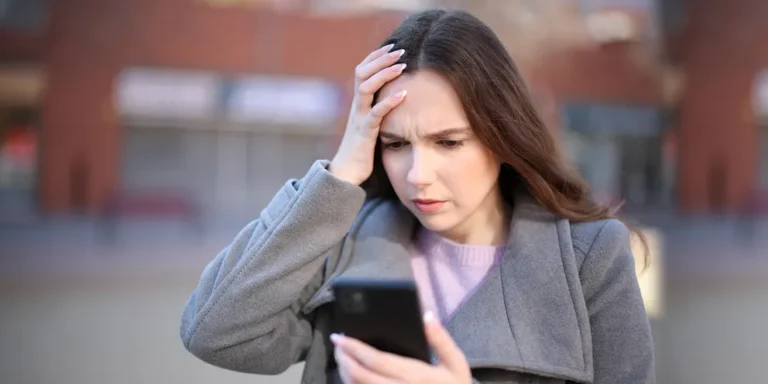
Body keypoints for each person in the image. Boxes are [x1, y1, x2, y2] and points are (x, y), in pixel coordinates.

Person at [180, 8, 655, 384]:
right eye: (396, 144)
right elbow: (215, 333)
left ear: (503, 137)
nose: (419, 175)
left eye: (448, 142)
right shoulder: (346, 243)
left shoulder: (590, 260)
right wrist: (340, 174)